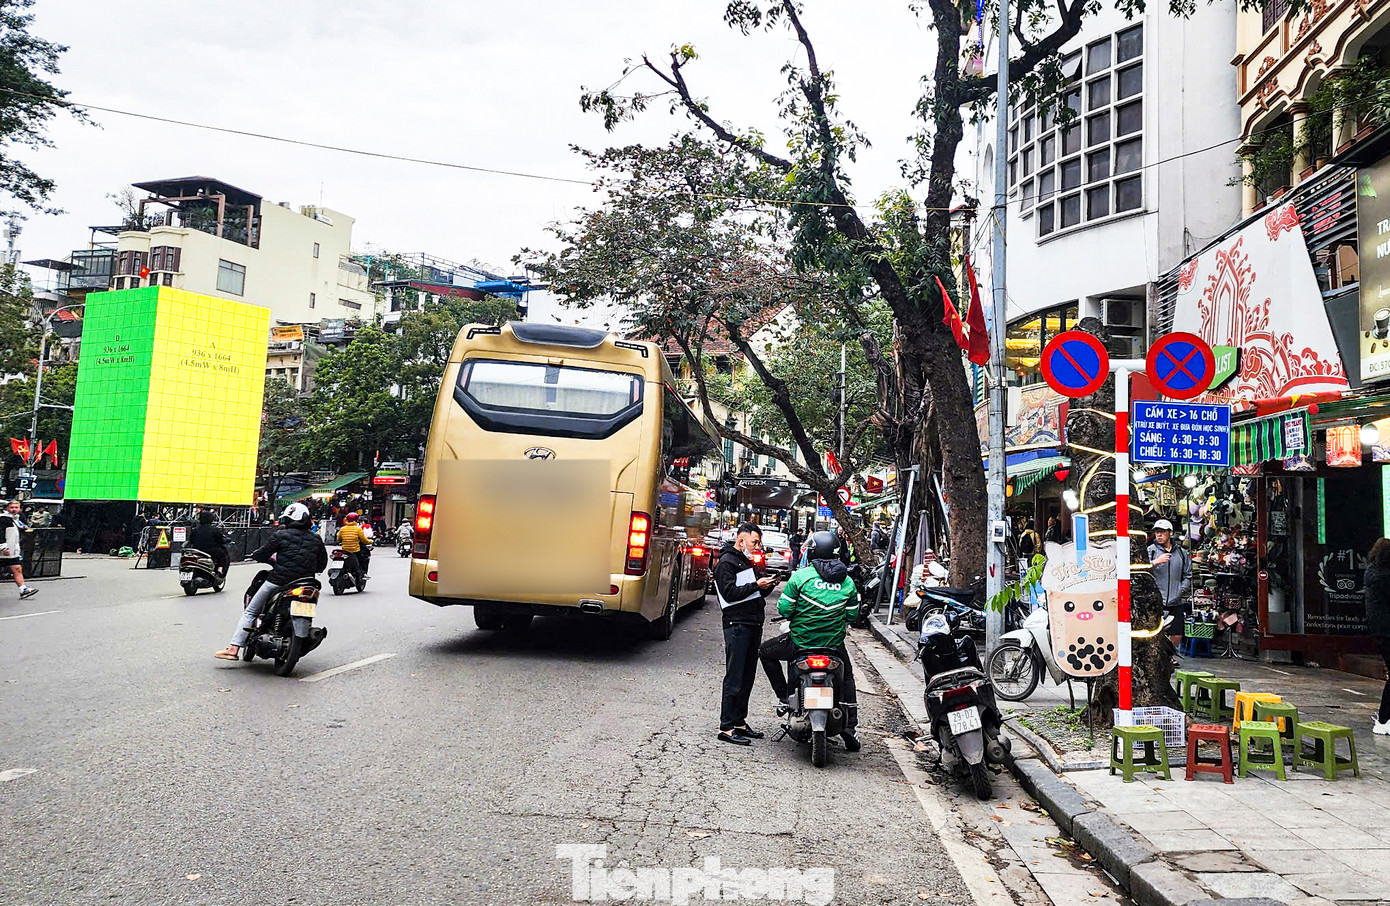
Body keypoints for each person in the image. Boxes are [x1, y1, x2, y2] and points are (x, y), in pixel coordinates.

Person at [759, 530, 861, 751]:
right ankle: (851, 727)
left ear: (813, 551)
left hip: (801, 643)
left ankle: (785, 697)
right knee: (848, 677)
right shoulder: (848, 582)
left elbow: (784, 609)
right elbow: (852, 615)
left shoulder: (800, 577)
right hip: (833, 646)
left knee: (765, 652)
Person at [213, 503, 326, 660]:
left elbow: (263, 553)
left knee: (251, 611)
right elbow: (322, 564)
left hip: (279, 581)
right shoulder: (316, 539)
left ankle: (233, 649)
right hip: (307, 583)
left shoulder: (281, 535)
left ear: (288, 519)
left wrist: (256, 555)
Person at [713, 521, 777, 746]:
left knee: (748, 675)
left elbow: (752, 592)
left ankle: (739, 721)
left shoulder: (746, 562)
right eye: (755, 542)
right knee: (735, 675)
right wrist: (755, 586)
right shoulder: (726, 563)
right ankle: (727, 726)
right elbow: (729, 594)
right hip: (737, 624)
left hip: (752, 622)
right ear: (741, 541)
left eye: (759, 542)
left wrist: (766, 586)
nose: (758, 546)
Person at [1148, 518, 1192, 648]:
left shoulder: (1181, 553)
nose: (1159, 535)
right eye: (1157, 532)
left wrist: (1181, 590)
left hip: (1175, 600)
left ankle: (1169, 655)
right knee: (1155, 632)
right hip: (1157, 600)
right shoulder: (1151, 551)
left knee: (1177, 633)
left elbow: (1188, 574)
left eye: (1162, 532)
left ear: (1170, 533)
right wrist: (1155, 562)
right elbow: (1141, 569)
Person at [1364, 538, 1390, 736]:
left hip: (1381, 631)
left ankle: (1384, 719)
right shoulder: (1384, 577)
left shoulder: (1372, 573)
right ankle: (1383, 719)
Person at [1, 500, 37, 599]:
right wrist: (3, 547)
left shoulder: (15, 518)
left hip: (12, 551)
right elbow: (0, 534)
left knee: (17, 568)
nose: (14, 509)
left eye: (16, 507)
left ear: (20, 509)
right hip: (4, 551)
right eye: (12, 507)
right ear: (7, 508)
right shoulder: (4, 519)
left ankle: (23, 589)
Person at [187, 510, 231, 577]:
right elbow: (220, 540)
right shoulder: (214, 529)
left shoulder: (195, 530)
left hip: (197, 551)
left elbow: (191, 540)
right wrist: (227, 540)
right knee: (224, 555)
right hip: (211, 552)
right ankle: (220, 570)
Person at [336, 512, 371, 586]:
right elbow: (364, 540)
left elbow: (338, 539)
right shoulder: (358, 529)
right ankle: (363, 573)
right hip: (355, 551)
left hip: (344, 550)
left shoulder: (342, 529)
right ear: (356, 520)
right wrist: (370, 541)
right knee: (364, 559)